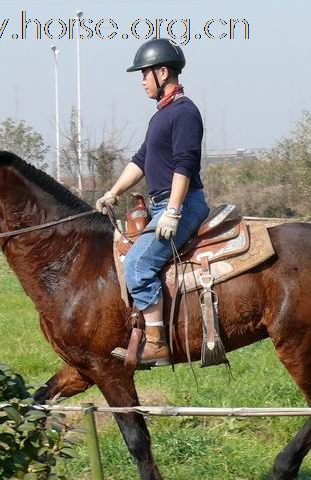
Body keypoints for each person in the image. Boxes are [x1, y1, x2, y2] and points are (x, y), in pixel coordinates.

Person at [96, 38, 209, 367]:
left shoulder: (185, 112)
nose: (142, 80)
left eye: (145, 73)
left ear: (163, 72)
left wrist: (173, 211)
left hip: (183, 203)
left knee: (138, 265)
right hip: (165, 203)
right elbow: (141, 160)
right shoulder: (161, 116)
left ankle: (157, 343)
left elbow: (184, 165)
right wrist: (113, 192)